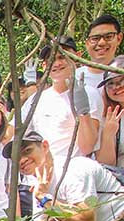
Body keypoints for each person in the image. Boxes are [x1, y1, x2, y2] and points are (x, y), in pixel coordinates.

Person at [25, 37, 102, 166]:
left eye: (62, 57)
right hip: (41, 173)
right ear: (44, 66)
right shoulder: (37, 99)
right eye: (51, 59)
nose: (56, 63)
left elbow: (87, 147)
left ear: (77, 57)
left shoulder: (89, 94)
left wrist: (83, 112)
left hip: (73, 172)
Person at [79, 14, 124, 89]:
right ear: (87, 43)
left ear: (119, 38)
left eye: (108, 37)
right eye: (95, 38)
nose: (101, 43)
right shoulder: (74, 77)